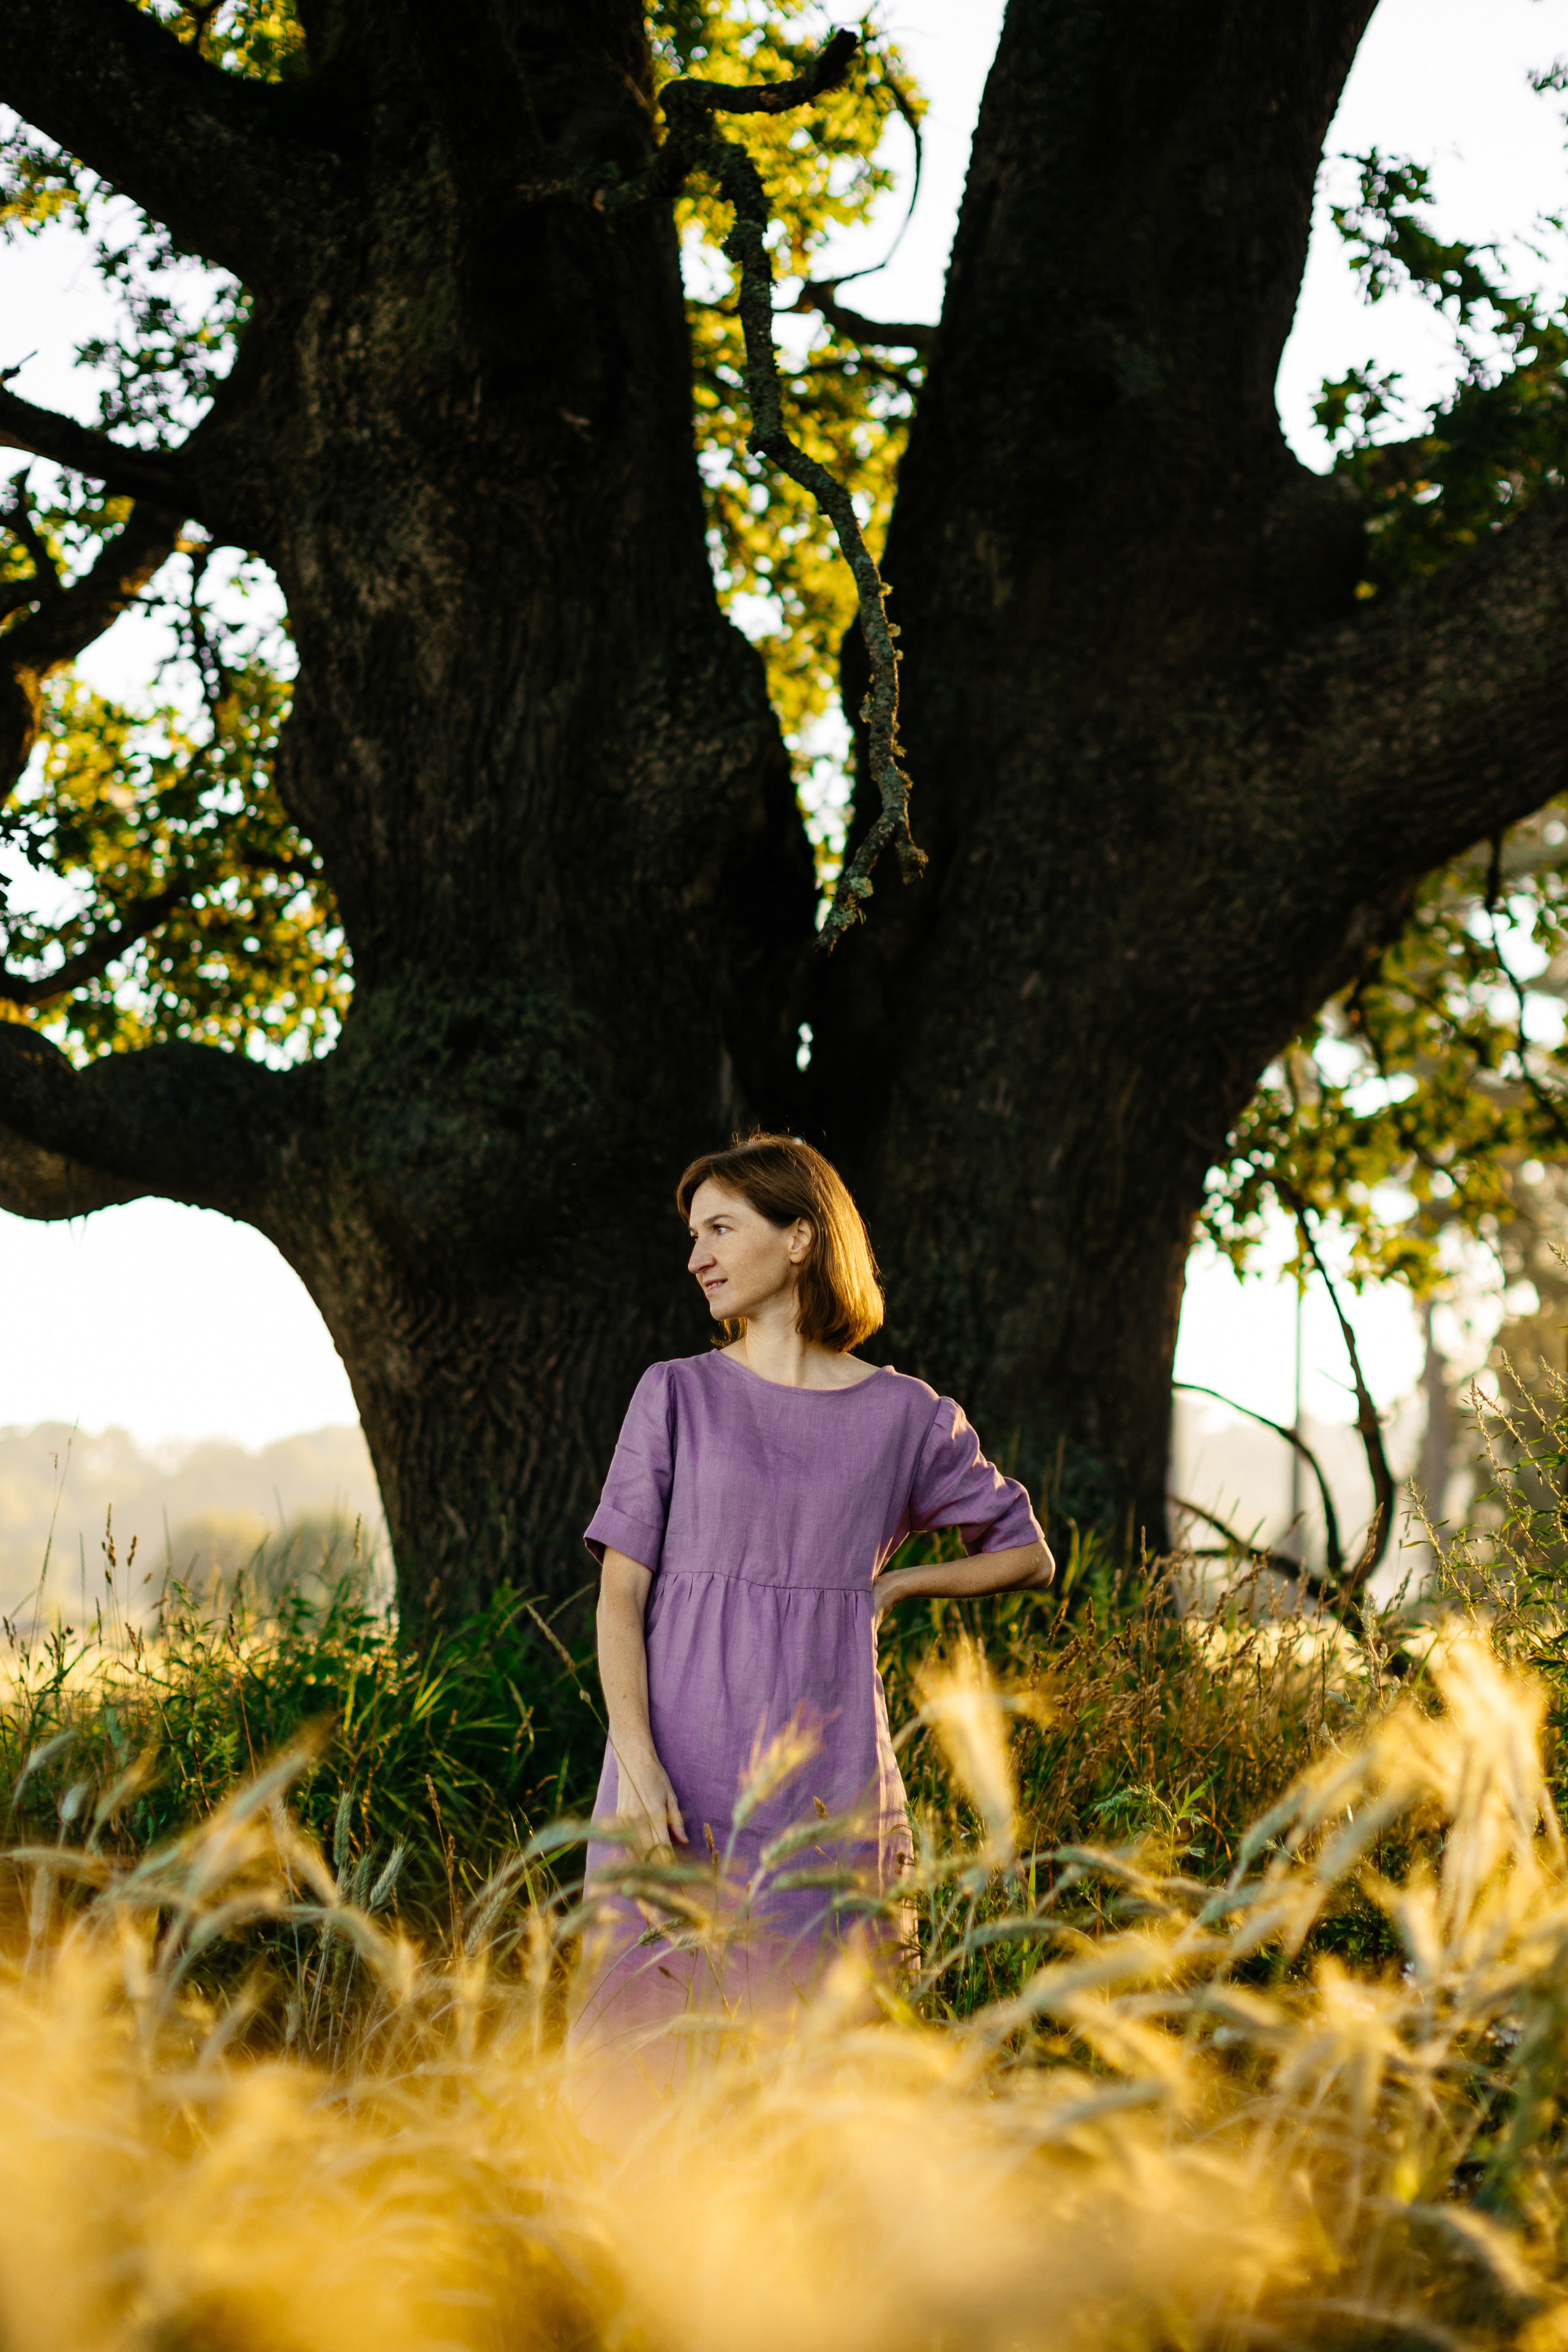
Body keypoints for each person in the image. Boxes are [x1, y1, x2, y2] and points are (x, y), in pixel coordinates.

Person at [569, 1133, 1053, 2110]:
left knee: (815, 2056)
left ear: (799, 1239)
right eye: (693, 1232)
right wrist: (638, 1760)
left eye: (720, 1228)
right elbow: (620, 1596)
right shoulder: (675, 1395)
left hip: (825, 1783)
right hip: (672, 1768)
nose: (695, 1254)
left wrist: (897, 1588)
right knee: (647, 2051)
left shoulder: (907, 1418)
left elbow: (1026, 1553)